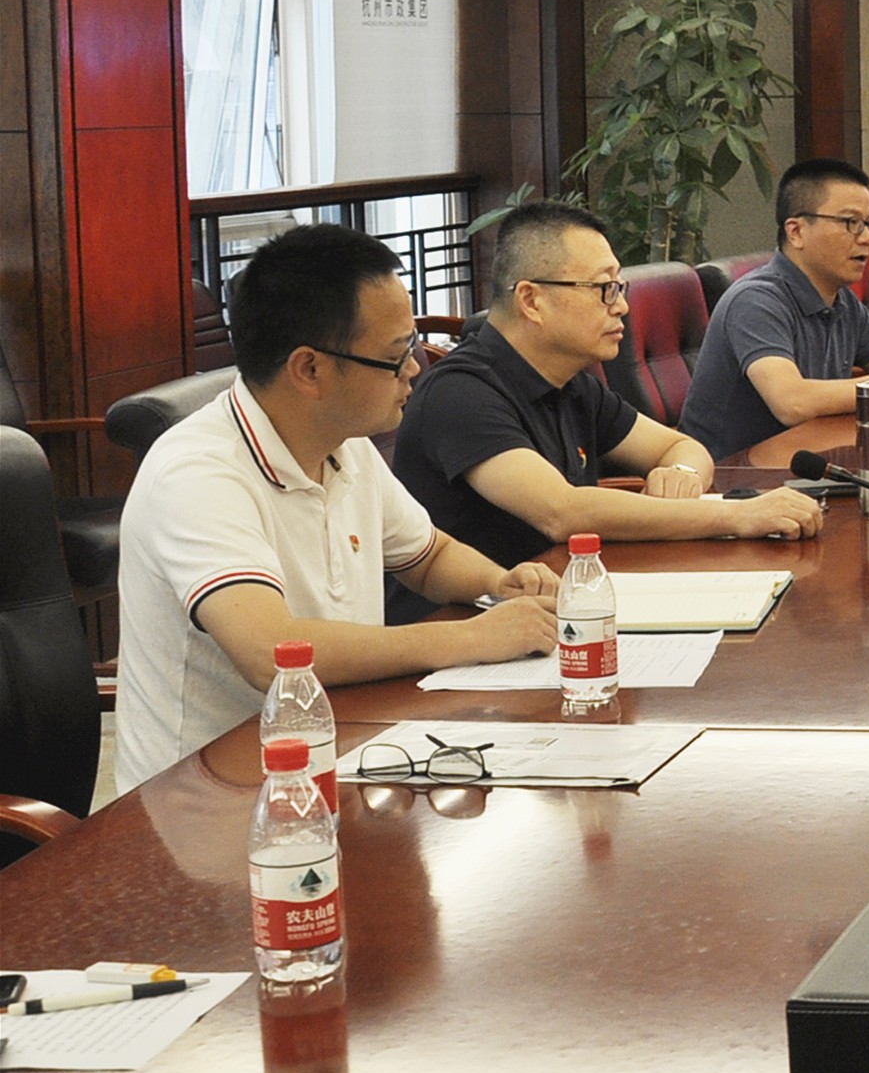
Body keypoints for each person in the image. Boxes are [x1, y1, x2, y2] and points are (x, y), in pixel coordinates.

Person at [114, 225, 560, 791]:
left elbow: (427, 557)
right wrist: (474, 638)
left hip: (341, 751)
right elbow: (270, 651)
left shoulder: (343, 444)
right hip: (210, 797)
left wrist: (500, 584)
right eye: (396, 355)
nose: (415, 368)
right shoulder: (196, 473)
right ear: (310, 369)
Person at [392, 200, 822, 574]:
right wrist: (738, 517)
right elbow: (562, 512)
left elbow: (681, 447)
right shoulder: (460, 394)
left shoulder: (571, 383)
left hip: (561, 596)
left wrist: (682, 476)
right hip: (467, 622)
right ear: (531, 300)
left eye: (619, 288)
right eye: (604, 289)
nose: (622, 306)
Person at [678, 159, 869, 457]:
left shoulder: (840, 299)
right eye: (850, 223)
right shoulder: (756, 300)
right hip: (732, 475)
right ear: (796, 232)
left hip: (807, 463)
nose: (867, 237)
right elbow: (791, 403)